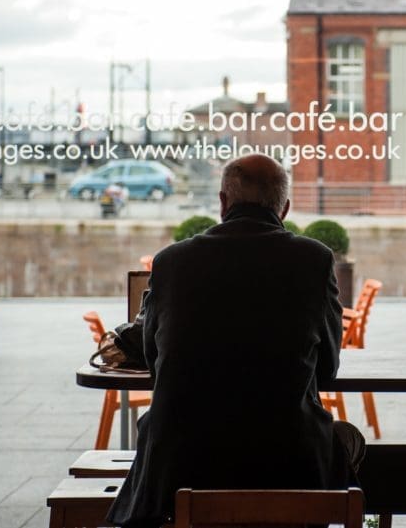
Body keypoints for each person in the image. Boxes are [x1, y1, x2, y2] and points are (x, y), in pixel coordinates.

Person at [106, 153, 364, 528]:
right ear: (285, 208)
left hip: (180, 466)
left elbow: (153, 358)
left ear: (223, 202)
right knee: (346, 440)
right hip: (286, 462)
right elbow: (326, 370)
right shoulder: (315, 260)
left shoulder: (171, 262)